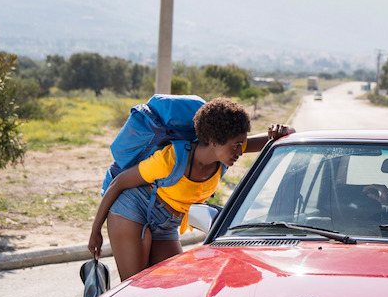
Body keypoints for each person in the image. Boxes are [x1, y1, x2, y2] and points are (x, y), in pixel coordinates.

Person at [89, 98, 292, 280]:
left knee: (174, 284)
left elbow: (280, 137)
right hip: (133, 211)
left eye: (242, 144)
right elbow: (119, 183)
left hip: (168, 224)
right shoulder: (170, 159)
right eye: (236, 146)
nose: (240, 151)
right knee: (134, 287)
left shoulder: (225, 150)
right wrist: (95, 231)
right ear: (213, 141)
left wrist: (284, 130)